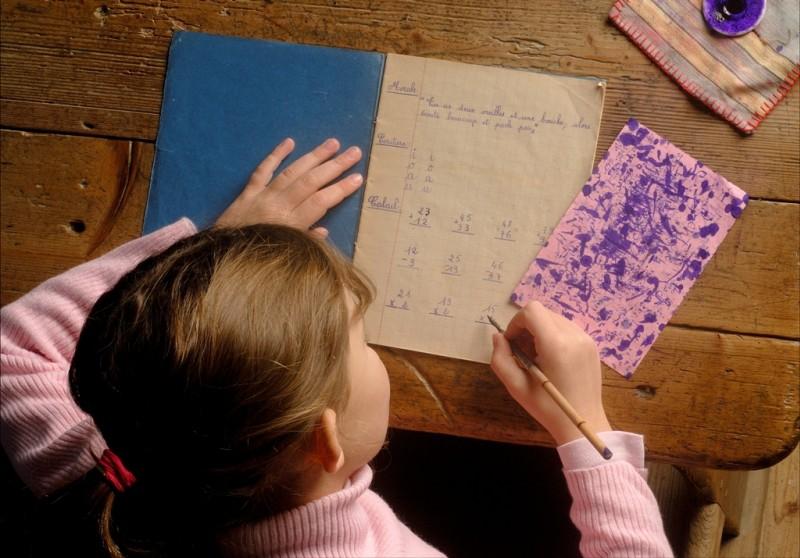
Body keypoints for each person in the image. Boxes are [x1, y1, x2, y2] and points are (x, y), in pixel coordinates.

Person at [0, 138, 673, 557]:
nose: (374, 349)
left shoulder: (110, 475)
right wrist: (588, 429)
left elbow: (11, 351)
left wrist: (219, 263)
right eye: (365, 341)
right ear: (325, 440)